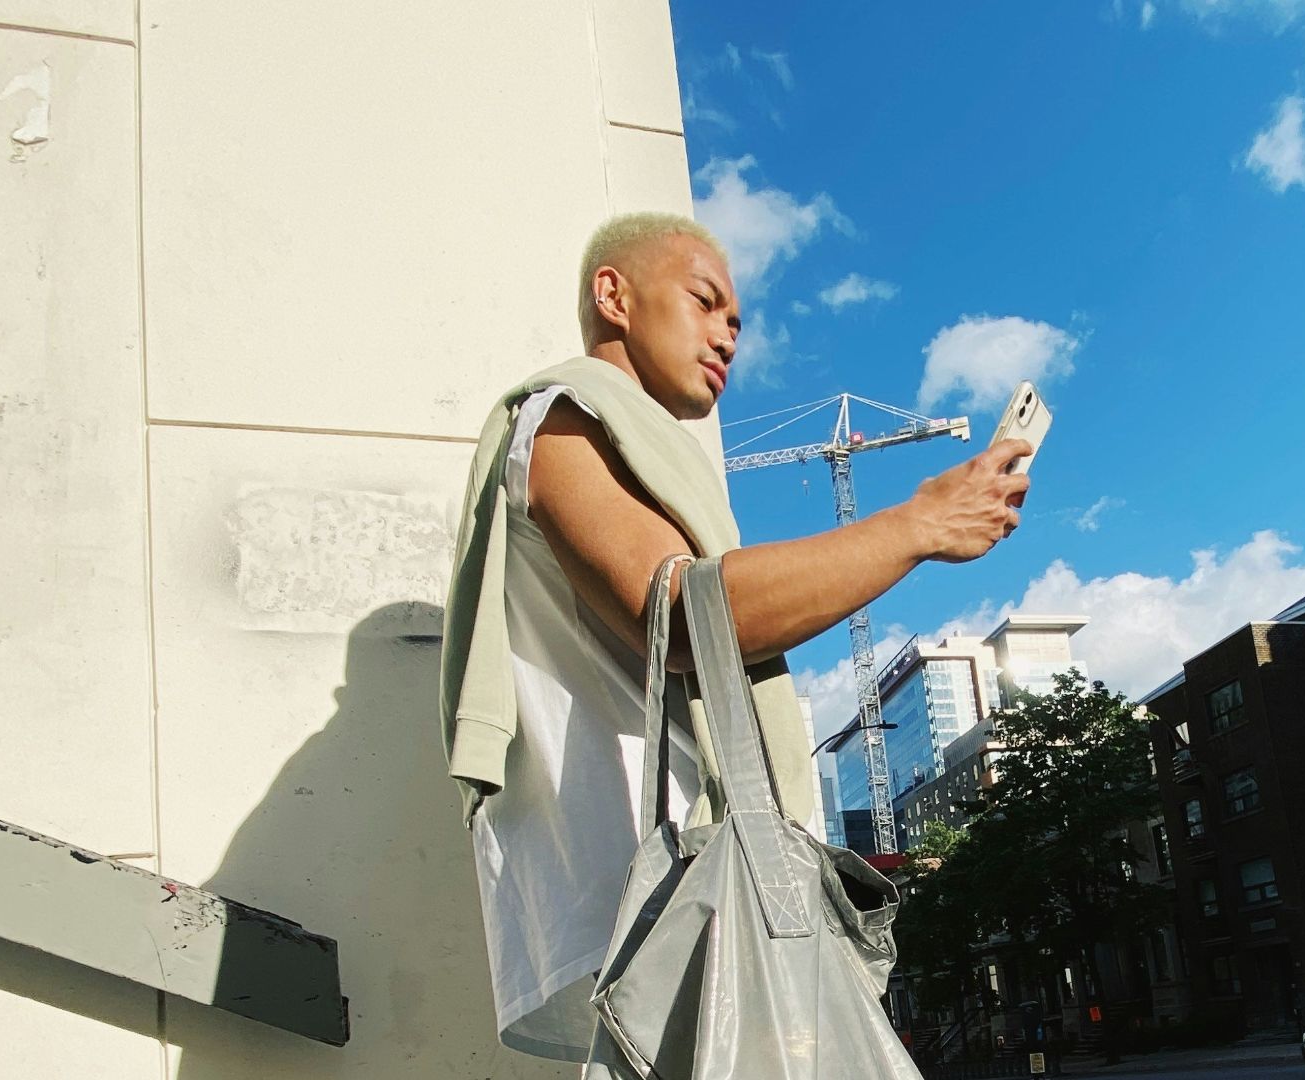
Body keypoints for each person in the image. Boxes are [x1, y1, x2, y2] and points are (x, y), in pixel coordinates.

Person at [440, 211, 1032, 1063]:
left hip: (704, 897)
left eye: (738, 322)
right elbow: (681, 614)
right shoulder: (563, 418)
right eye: (706, 301)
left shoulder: (635, 444)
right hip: (663, 903)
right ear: (615, 294)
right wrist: (918, 524)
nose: (728, 335)